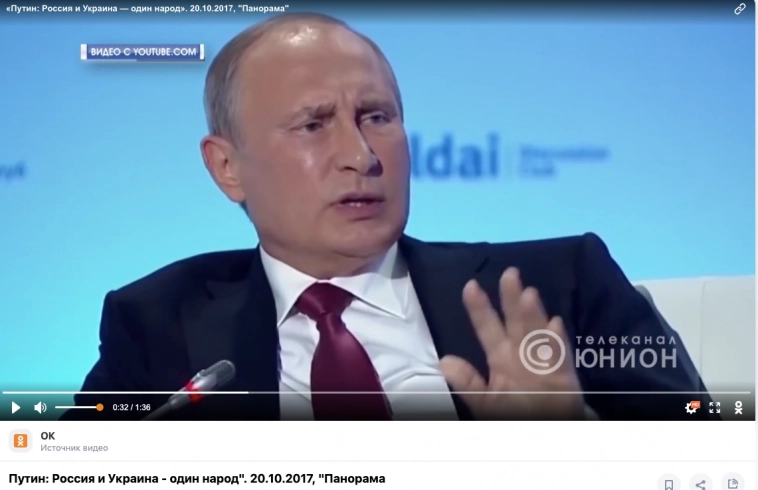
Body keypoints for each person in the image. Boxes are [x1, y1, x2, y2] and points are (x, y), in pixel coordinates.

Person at [63, 12, 712, 421]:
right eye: (314, 124)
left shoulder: (556, 286)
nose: (361, 155)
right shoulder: (158, 322)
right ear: (227, 167)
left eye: (377, 117)